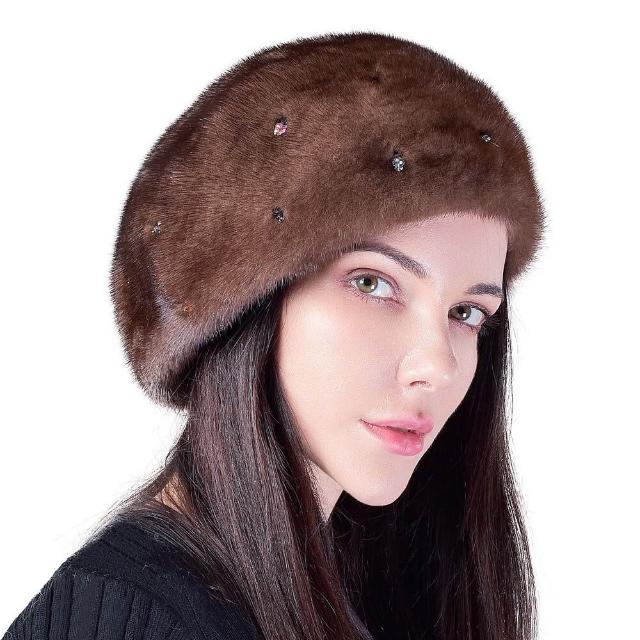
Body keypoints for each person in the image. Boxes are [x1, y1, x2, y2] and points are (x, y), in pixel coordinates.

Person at [3, 31, 546, 640]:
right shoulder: (137, 620)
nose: (438, 365)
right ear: (247, 302)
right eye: (372, 283)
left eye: (466, 312)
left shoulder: (372, 591)